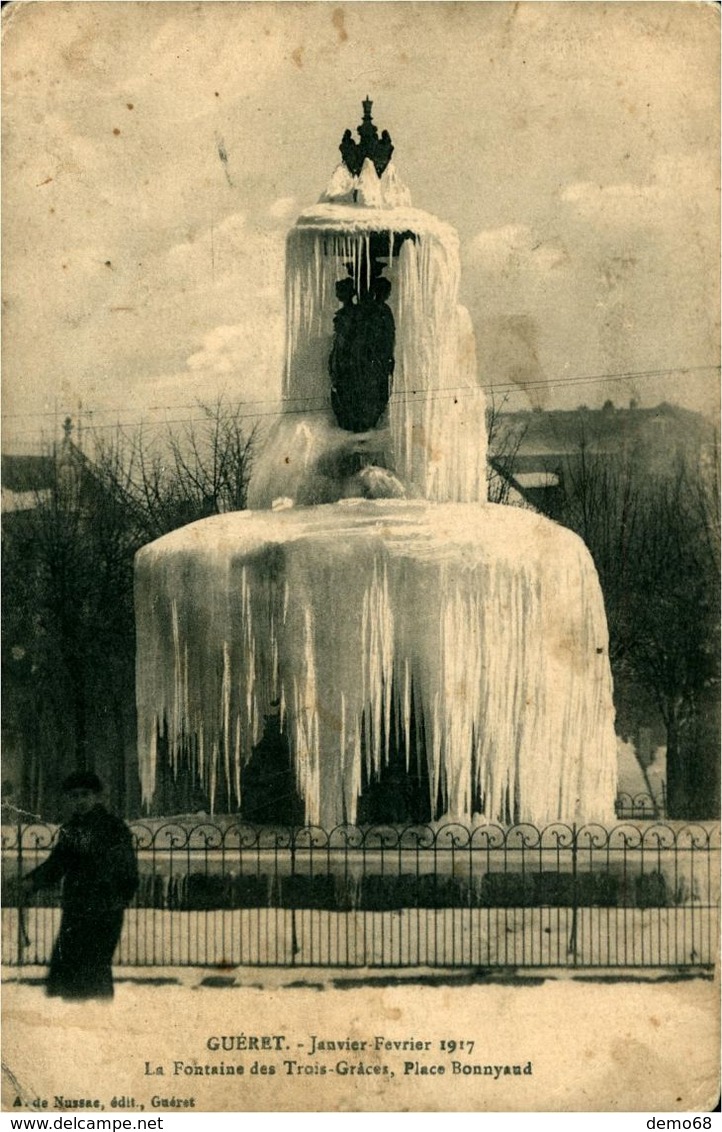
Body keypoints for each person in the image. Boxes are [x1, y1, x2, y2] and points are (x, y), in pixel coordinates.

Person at [21, 772, 138, 1000]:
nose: (80, 801)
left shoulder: (114, 829)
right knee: (66, 973)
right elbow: (57, 864)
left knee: (95, 972)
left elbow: (128, 872)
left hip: (105, 911)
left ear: (97, 797)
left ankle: (99, 1024)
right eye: (74, 796)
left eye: (85, 795)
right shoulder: (71, 829)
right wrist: (32, 882)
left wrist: (116, 901)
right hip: (76, 910)